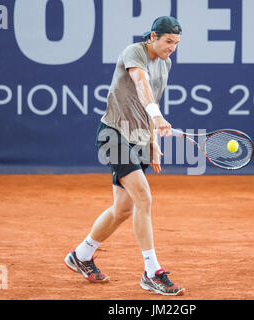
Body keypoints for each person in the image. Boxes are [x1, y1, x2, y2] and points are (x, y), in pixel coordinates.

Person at [64, 16, 184, 296]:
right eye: (168, 42)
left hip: (140, 138)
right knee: (144, 197)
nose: (172, 48)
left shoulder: (165, 63)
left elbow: (149, 101)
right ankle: (151, 272)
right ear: (153, 36)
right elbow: (140, 83)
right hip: (114, 134)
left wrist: (153, 139)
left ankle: (81, 255)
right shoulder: (134, 52)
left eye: (176, 44)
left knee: (123, 210)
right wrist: (158, 117)